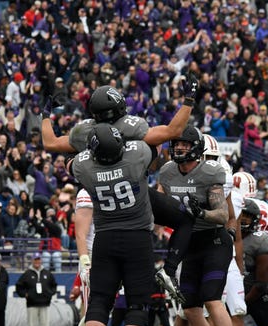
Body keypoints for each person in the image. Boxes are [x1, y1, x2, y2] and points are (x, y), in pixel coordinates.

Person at [67, 119, 188, 326]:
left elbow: (70, 160)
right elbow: (153, 143)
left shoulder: (85, 168)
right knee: (137, 304)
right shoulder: (135, 159)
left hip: (105, 238)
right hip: (137, 238)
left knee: (99, 300)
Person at [42, 79, 197, 286]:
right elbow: (173, 131)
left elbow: (50, 143)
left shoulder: (84, 132)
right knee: (184, 219)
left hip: (102, 198)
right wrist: (188, 100)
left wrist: (45, 116)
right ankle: (168, 271)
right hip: (136, 195)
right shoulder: (132, 127)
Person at [159, 125, 245, 326]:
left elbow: (222, 215)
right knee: (190, 305)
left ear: (195, 148)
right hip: (189, 242)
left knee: (211, 298)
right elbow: (160, 204)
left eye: (184, 144)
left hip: (214, 240)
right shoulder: (167, 173)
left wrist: (201, 213)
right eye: (176, 144)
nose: (178, 148)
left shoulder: (210, 172)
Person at [68, 188, 114, 326]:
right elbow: (81, 233)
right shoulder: (87, 192)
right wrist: (86, 262)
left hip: (107, 257)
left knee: (102, 313)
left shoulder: (109, 186)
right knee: (92, 313)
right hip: (93, 257)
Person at [15, 252, 57, 326]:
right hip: (32, 303)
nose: (37, 262)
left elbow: (54, 285)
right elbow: (19, 286)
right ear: (32, 261)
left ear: (41, 260)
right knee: (31, 325)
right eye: (35, 260)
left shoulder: (47, 273)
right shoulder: (27, 274)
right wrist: (25, 295)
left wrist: (50, 293)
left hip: (45, 303)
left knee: (45, 325)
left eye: (38, 259)